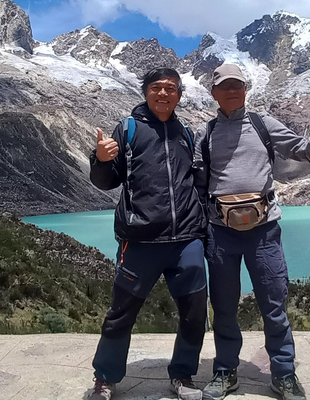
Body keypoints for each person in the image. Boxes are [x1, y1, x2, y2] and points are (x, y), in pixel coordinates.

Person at [194, 64, 310, 400]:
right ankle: (226, 371)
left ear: (246, 90)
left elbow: (303, 151)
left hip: (264, 230)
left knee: (273, 303)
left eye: (237, 85)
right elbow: (197, 183)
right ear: (213, 92)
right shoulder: (206, 133)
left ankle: (283, 374)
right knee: (224, 306)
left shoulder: (262, 125)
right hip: (220, 231)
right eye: (225, 86)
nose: (232, 91)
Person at [88, 67, 207, 400]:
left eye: (171, 88)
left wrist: (203, 232)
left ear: (180, 95)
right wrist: (99, 160)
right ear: (145, 92)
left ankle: (183, 376)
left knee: (195, 312)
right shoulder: (128, 129)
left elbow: (196, 183)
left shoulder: (186, 132)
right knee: (121, 313)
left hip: (186, 239)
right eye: (157, 87)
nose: (164, 93)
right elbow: (106, 181)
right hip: (139, 241)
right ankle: (106, 378)